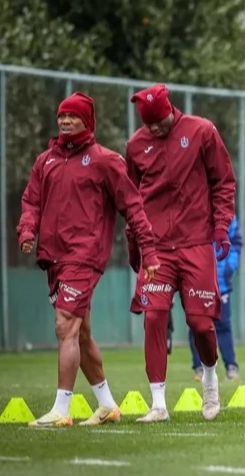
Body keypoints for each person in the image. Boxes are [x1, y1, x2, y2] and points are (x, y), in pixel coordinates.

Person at [17, 92, 159, 427]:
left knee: (65, 324)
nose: (65, 121)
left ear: (87, 122)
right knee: (80, 334)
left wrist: (149, 251)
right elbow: (31, 201)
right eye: (62, 116)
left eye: (73, 116)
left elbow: (133, 207)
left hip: (85, 255)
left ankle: (61, 410)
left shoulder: (105, 161)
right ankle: (107, 405)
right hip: (54, 257)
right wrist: (27, 230)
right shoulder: (45, 161)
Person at [126, 84, 237, 423]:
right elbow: (131, 199)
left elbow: (224, 182)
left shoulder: (202, 131)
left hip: (195, 243)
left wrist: (221, 227)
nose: (155, 129)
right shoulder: (135, 145)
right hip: (157, 248)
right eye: (148, 124)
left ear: (170, 111)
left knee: (200, 324)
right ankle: (158, 404)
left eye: (159, 122)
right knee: (154, 318)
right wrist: (135, 244)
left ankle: (210, 380)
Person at [190, 215, 243, 382]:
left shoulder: (228, 215)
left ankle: (231, 367)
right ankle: (199, 368)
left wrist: (229, 267)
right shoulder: (193, 210)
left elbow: (236, 243)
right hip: (197, 279)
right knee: (196, 324)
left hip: (221, 282)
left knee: (223, 325)